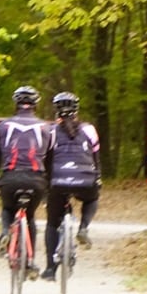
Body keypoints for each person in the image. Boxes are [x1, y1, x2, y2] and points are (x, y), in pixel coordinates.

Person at [0, 84, 55, 280]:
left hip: (10, 177)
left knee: (8, 209)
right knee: (31, 217)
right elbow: (49, 161)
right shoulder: (47, 129)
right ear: (35, 104)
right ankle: (29, 262)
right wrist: (48, 184)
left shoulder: (1, 127)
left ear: (16, 103)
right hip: (36, 180)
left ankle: (4, 233)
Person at [40, 91, 101, 282]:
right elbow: (96, 158)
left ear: (55, 111)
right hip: (85, 179)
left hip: (57, 181)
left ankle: (50, 269)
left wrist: (45, 187)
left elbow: (45, 161)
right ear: (77, 110)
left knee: (52, 223)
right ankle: (83, 227)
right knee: (92, 198)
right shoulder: (89, 129)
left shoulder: (48, 131)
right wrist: (97, 178)